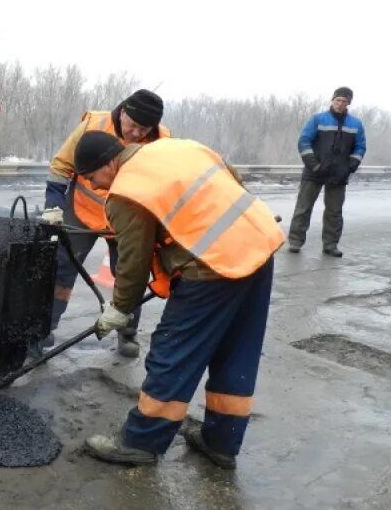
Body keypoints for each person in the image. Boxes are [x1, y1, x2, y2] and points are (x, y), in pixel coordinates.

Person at [72, 131, 284, 469]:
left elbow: (133, 263)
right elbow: (233, 179)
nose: (96, 188)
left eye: (93, 178)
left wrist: (119, 310)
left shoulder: (126, 192)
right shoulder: (180, 147)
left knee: (173, 351)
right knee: (236, 350)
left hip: (210, 267)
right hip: (258, 247)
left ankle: (141, 442)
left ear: (109, 163)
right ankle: (222, 442)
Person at [36, 89, 170, 359]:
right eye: (131, 124)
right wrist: (53, 206)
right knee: (62, 266)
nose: (134, 133)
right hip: (82, 210)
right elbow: (61, 165)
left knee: (132, 271)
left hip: (126, 217)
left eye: (142, 129)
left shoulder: (161, 141)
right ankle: (44, 327)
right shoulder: (94, 123)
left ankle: (127, 331)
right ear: (122, 112)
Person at [288, 86, 366, 258]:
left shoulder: (356, 124)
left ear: (348, 104)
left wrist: (350, 166)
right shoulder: (317, 119)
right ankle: (295, 241)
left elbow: (360, 147)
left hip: (339, 174)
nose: (340, 104)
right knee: (303, 208)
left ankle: (330, 245)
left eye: (344, 101)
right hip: (314, 172)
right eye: (337, 100)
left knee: (334, 212)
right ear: (332, 100)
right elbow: (304, 142)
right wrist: (314, 165)